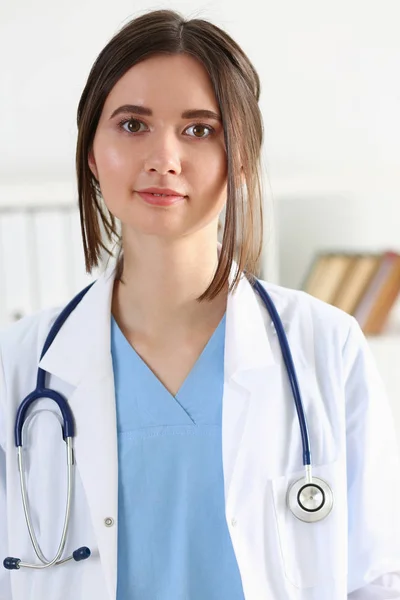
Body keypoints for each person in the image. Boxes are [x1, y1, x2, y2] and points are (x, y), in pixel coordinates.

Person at [1, 8, 400, 600]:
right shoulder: (19, 364)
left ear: (241, 160)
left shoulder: (327, 347)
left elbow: (378, 577)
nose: (164, 157)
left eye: (199, 129)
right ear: (91, 151)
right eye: (133, 125)